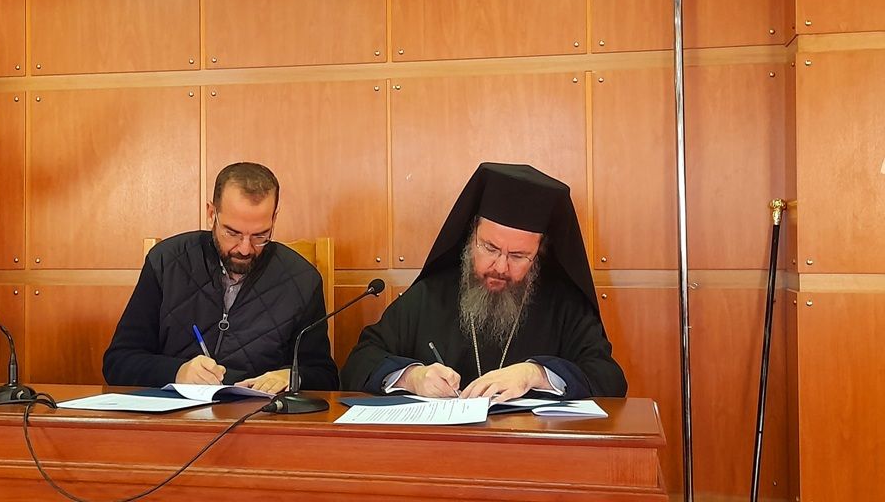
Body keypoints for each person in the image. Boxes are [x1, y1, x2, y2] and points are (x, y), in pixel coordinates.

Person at [341, 163, 626, 403]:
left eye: (518, 256)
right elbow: (358, 363)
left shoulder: (564, 305)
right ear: (471, 238)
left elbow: (609, 379)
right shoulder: (430, 295)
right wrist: (412, 377)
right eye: (490, 248)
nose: (500, 267)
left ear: (539, 253)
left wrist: (536, 374)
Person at [103, 162, 338, 393]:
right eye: (232, 233)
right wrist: (177, 372)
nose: (244, 249)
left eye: (260, 235)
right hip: (175, 413)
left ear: (274, 220)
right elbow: (118, 362)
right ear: (211, 214)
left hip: (259, 414)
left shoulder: (302, 280)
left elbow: (326, 377)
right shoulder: (166, 261)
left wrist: (293, 376)